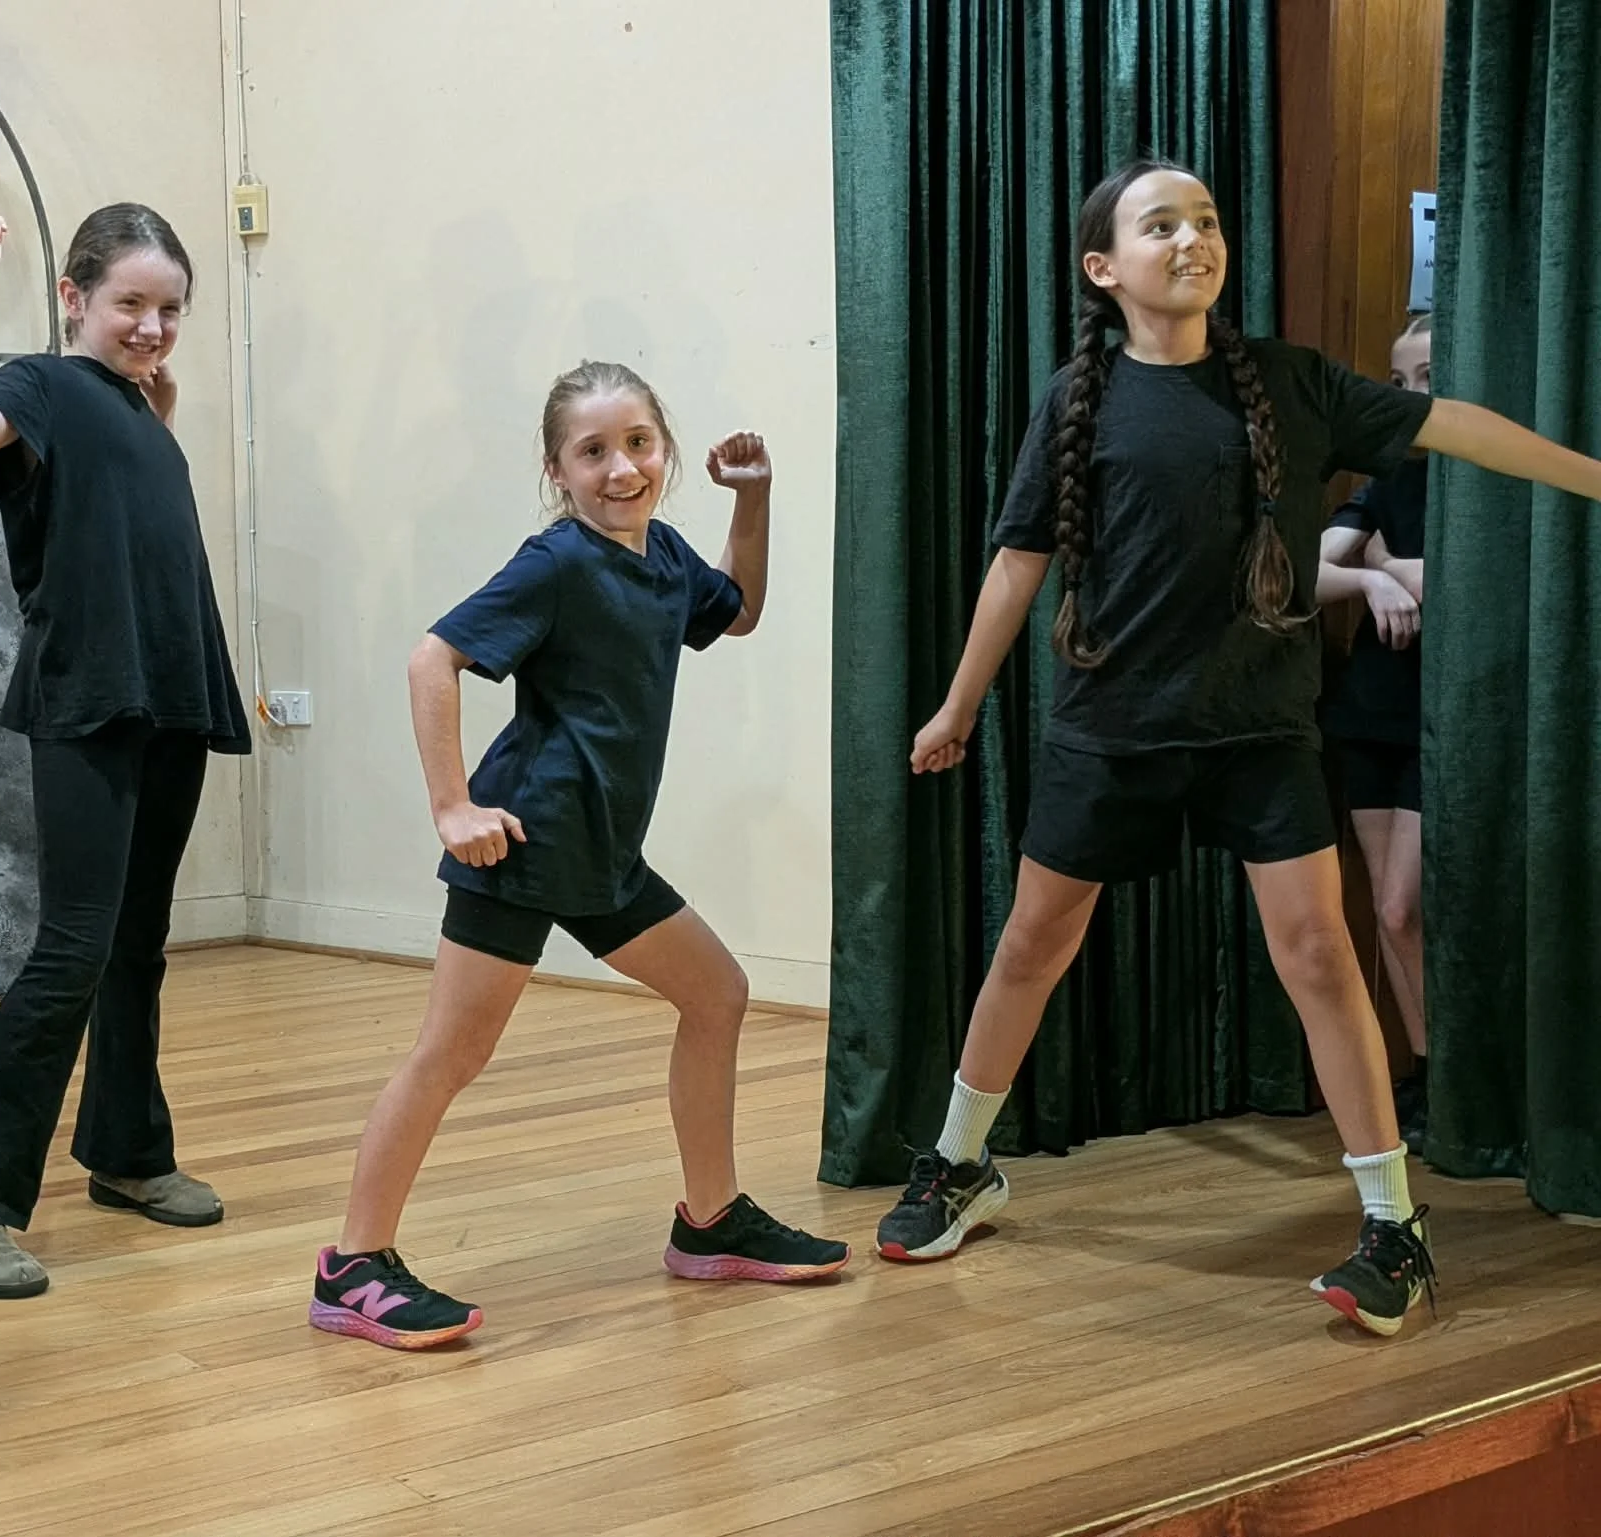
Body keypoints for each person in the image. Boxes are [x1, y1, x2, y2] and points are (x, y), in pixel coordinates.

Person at [877, 161, 1601, 1337]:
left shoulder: (1288, 383)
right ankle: (960, 1163)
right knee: (1029, 945)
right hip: (1109, 727)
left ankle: (1390, 1230)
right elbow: (1018, 562)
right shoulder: (1076, 399)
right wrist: (955, 709)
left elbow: (1449, 426)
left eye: (1205, 220)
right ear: (1104, 268)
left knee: (1318, 956)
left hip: (1260, 727)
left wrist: (1592, 478)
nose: (1191, 238)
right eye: (1159, 224)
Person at [310, 360, 849, 1350]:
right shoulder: (554, 561)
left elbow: (736, 612)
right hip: (523, 839)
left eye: (637, 443)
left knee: (715, 994)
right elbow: (433, 656)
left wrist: (758, 496)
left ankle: (709, 1219)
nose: (620, 467)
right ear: (557, 469)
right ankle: (351, 1265)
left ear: (665, 450)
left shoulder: (663, 556)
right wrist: (450, 807)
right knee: (452, 1053)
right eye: (592, 451)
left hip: (600, 850)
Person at [0, 205, 250, 1299]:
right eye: (129, 305)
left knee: (138, 945)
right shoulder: (46, 388)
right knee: (73, 947)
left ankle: (128, 1151)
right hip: (90, 701)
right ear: (73, 297)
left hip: (171, 698)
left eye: (168, 309)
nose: (151, 326)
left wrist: (160, 403)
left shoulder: (141, 407)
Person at [1316, 315, 1433, 1153]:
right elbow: (1308, 571)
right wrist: (1371, 571)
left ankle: (1454, 1072)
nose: (1407, 397)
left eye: (1423, 377)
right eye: (1397, 382)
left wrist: (1390, 567)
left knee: (1403, 901)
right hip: (1370, 710)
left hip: (1442, 716)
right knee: (1388, 918)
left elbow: (1458, 577)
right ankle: (1426, 1072)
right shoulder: (1387, 474)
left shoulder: (1481, 477)